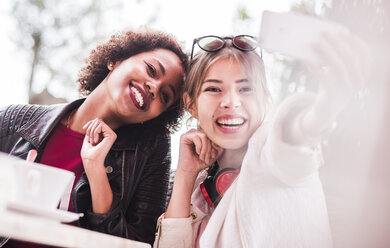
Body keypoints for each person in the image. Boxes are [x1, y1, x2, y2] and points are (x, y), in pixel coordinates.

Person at [153, 32, 365, 247]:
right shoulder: (199, 186)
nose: (231, 102)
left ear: (264, 101)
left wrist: (325, 107)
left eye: (246, 89)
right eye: (214, 89)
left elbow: (297, 135)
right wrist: (185, 175)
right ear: (191, 104)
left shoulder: (272, 149)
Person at [0, 28, 188, 247]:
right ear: (116, 60)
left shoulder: (150, 155)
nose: (154, 87)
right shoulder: (15, 120)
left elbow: (138, 243)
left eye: (165, 96)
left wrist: (96, 173)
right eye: (151, 69)